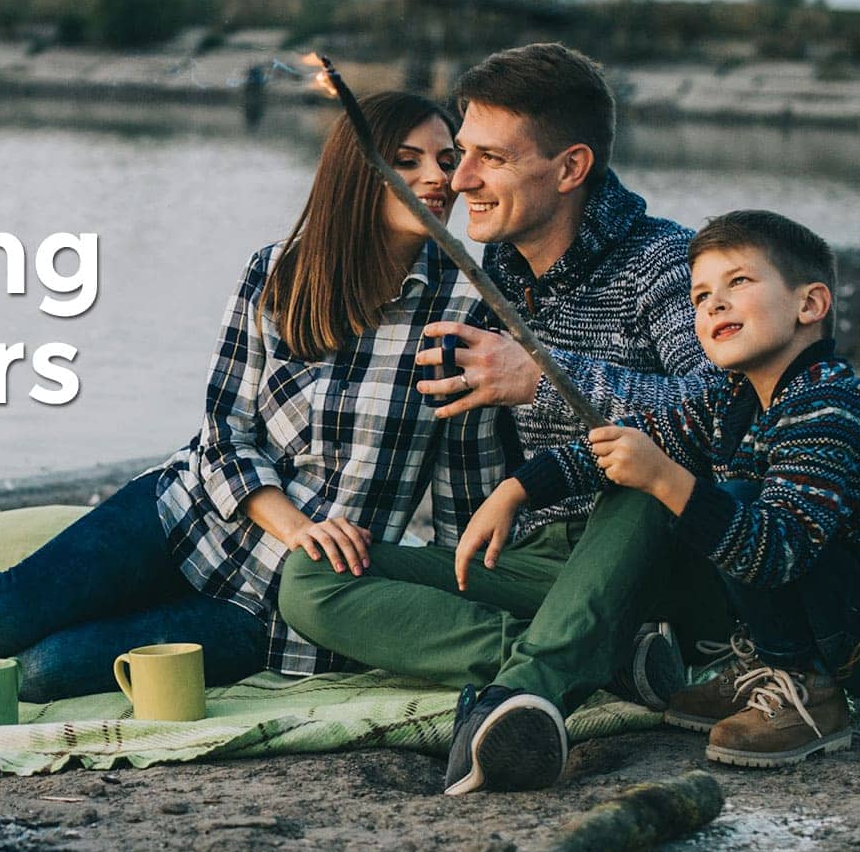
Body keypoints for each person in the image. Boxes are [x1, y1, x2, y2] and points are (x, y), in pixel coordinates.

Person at [0, 91, 508, 703]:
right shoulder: (280, 272)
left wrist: (467, 593)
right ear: (358, 173)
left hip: (275, 610)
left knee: (41, 673)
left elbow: (465, 483)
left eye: (447, 161)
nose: (439, 178)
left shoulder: (469, 309)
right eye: (408, 161)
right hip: (187, 517)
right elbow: (224, 429)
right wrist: (296, 525)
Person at [280, 43, 706, 796]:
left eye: (491, 159)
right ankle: (607, 660)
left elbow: (722, 414)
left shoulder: (665, 265)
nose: (458, 179)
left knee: (639, 464)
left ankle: (523, 694)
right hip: (544, 561)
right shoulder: (492, 271)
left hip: (655, 552)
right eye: (463, 153)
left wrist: (540, 379)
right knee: (312, 577)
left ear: (570, 169)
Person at [468, 210, 860, 767]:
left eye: (738, 282)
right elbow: (638, 436)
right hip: (835, 601)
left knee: (734, 502)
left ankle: (806, 689)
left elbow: (777, 551)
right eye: (700, 296)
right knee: (713, 495)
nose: (713, 305)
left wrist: (666, 478)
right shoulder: (731, 398)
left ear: (810, 304)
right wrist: (519, 489)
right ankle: (772, 662)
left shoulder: (828, 405)